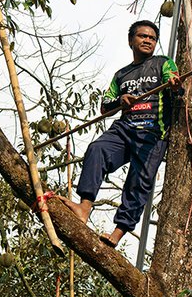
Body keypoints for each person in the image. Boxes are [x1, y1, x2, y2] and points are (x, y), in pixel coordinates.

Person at [61, 20, 182, 247]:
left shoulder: (163, 63)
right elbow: (105, 107)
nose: (148, 40)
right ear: (131, 41)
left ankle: (117, 233)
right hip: (124, 129)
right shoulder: (121, 75)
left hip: (152, 132)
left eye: (152, 38)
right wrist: (120, 101)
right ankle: (84, 207)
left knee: (139, 181)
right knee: (97, 149)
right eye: (142, 36)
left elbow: (173, 82)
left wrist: (174, 84)